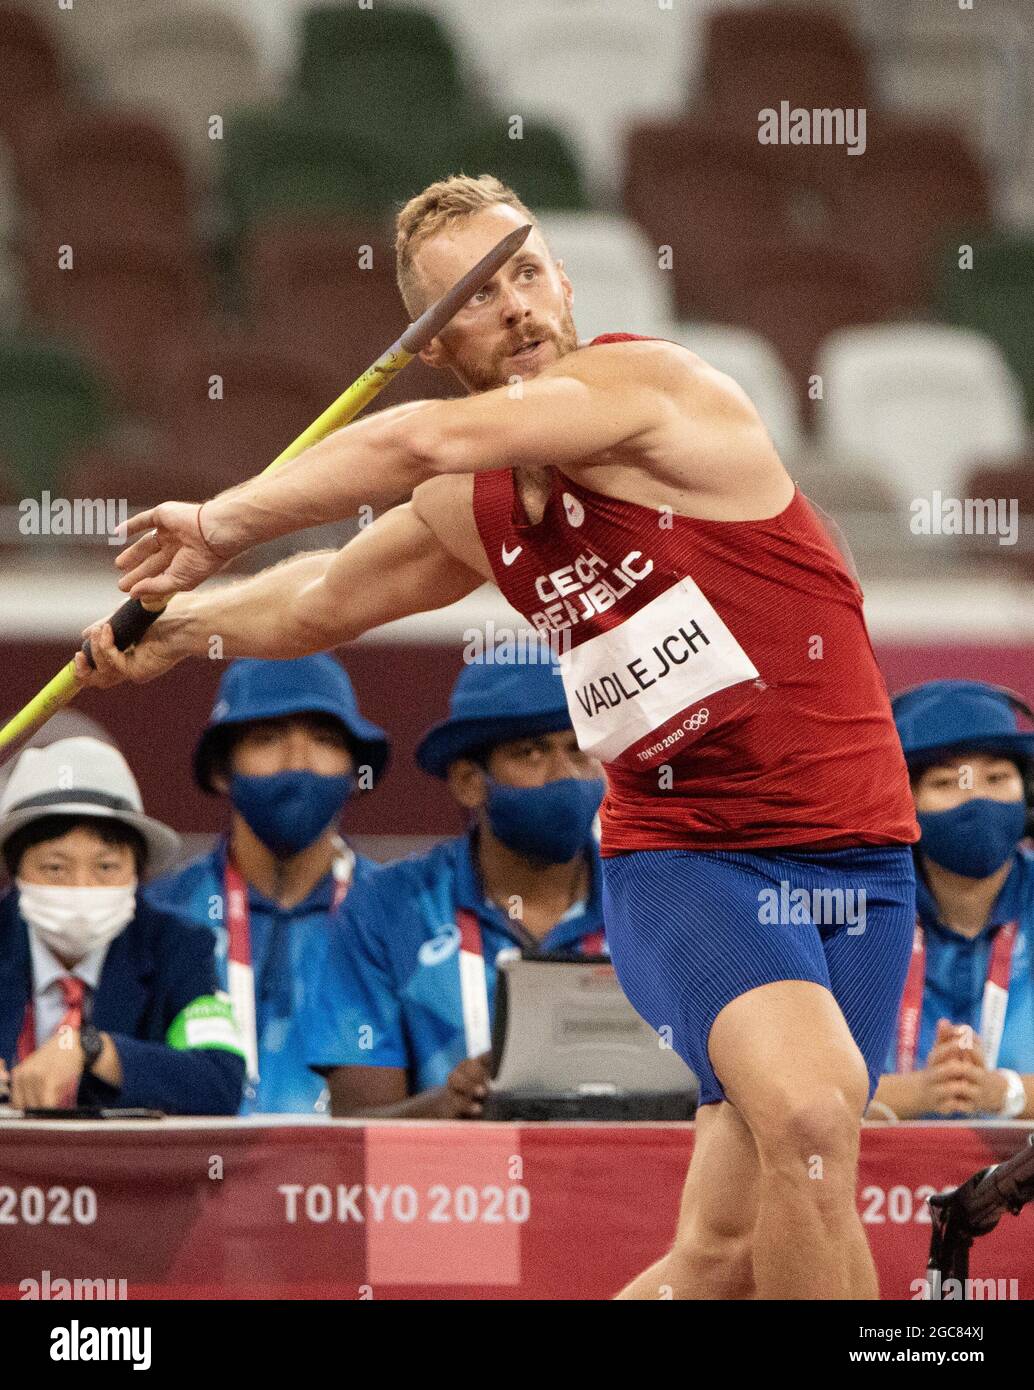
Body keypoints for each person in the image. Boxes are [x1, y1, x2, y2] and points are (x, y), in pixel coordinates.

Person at [75, 172, 918, 1300]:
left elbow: (422, 440)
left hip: (857, 851)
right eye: (475, 295)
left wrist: (220, 521)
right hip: (689, 855)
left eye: (525, 271)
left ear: (564, 282)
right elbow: (323, 595)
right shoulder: (474, 506)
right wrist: (187, 623)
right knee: (811, 1123)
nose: (515, 305)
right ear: (429, 342)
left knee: (726, 1248)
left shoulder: (653, 392)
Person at [306, 657, 607, 1118]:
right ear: (469, 782)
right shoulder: (386, 910)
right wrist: (451, 1106)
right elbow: (353, 1131)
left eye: (579, 750)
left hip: (631, 1186)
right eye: (531, 752)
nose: (565, 774)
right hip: (446, 1190)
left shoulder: (658, 903)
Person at [147, 654, 389, 1114]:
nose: (297, 762)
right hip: (192, 1181)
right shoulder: (164, 913)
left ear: (355, 771)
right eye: (267, 738)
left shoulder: (399, 914)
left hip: (349, 1184)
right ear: (221, 769)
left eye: (324, 739)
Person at [0, 738, 244, 1114]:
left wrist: (90, 1047)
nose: (82, 888)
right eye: (55, 868)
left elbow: (219, 1082)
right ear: (16, 874)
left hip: (132, 1173)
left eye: (106, 867)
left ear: (137, 872)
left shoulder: (179, 948)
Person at [868, 680, 1034, 1123]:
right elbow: (788, 1089)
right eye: (947, 782)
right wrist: (917, 1093)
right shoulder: (850, 915)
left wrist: (1005, 1091)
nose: (976, 798)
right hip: (879, 1188)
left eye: (997, 778)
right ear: (904, 806)